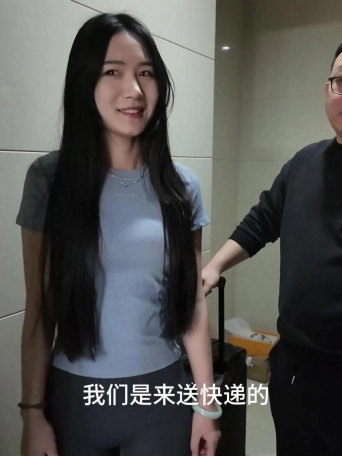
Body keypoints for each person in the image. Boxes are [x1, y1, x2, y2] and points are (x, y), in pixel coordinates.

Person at [202, 33, 342, 456]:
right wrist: (214, 267)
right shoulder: (304, 162)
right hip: (295, 365)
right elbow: (261, 221)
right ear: (328, 90)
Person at [16, 13, 221, 456]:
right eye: (113, 72)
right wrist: (32, 415)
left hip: (161, 399)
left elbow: (192, 301)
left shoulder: (181, 186)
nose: (134, 90)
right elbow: (39, 307)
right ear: (85, 82)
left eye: (146, 73)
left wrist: (207, 405)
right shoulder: (49, 180)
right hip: (76, 401)